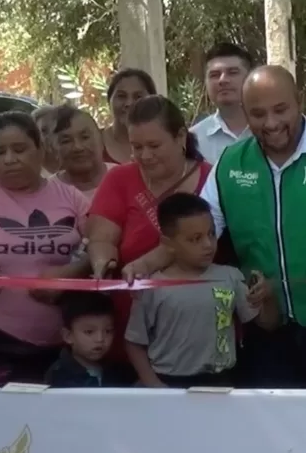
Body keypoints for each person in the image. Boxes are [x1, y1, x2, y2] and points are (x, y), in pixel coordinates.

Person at [126, 66, 306, 388]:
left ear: (299, 101)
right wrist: (145, 265)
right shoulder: (230, 164)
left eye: (280, 110)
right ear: (245, 112)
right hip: (265, 327)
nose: (271, 123)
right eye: (258, 114)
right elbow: (194, 232)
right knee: (271, 419)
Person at [0, 112, 91, 385]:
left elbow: (99, 247)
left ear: (40, 150)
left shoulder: (71, 197)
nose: (9, 159)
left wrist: (70, 274)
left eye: (19, 149)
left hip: (64, 351)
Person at [87, 95, 212, 369]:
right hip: (130, 335)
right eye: (137, 147)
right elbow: (101, 238)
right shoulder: (119, 179)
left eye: (154, 146)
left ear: (181, 137)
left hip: (198, 339)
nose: (145, 156)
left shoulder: (212, 180)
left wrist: (144, 265)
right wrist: (102, 264)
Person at [126, 193, 277, 388]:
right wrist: (154, 385)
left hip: (220, 383)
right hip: (168, 382)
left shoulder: (230, 277)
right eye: (195, 239)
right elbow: (134, 342)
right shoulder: (152, 287)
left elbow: (267, 323)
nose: (208, 245)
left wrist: (268, 296)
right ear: (168, 244)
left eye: (211, 234)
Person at [191, 43, 254, 164]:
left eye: (233, 72)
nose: (223, 80)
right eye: (214, 75)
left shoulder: (271, 130)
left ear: (251, 77)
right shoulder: (194, 140)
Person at [45, 292, 124, 387]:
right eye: (89, 332)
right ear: (68, 336)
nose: (100, 339)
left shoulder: (117, 371)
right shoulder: (59, 375)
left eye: (108, 331)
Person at [49, 105, 112, 199]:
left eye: (85, 137)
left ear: (101, 138)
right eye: (66, 141)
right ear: (53, 148)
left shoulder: (126, 177)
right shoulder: (47, 192)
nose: (78, 147)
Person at [100, 68, 157, 164]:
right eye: (121, 96)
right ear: (109, 100)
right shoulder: (92, 143)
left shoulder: (163, 144)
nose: (129, 103)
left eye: (138, 97)